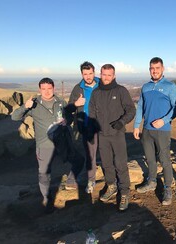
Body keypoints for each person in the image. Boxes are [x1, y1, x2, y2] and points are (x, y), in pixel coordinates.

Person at [11, 77, 81, 212]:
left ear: (53, 88)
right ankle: (47, 200)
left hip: (62, 142)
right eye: (43, 89)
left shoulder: (60, 101)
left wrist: (68, 120)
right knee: (44, 173)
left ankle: (71, 181)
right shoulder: (34, 103)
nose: (47, 91)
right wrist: (25, 106)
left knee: (79, 160)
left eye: (49, 88)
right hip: (44, 144)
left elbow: (68, 115)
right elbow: (15, 117)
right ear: (39, 90)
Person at [89, 64, 136, 211]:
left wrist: (121, 122)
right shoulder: (96, 93)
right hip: (102, 135)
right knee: (107, 163)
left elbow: (131, 110)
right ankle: (111, 186)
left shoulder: (121, 91)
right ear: (100, 74)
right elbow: (91, 112)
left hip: (117, 134)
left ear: (114, 76)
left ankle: (124, 192)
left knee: (121, 164)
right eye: (104, 74)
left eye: (109, 75)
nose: (106, 77)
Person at [134, 57, 176, 206]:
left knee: (165, 160)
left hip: (163, 130)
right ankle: (151, 181)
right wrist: (136, 125)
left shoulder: (170, 86)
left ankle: (167, 189)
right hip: (147, 129)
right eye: (152, 68)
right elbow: (140, 106)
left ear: (163, 68)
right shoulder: (145, 87)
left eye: (157, 68)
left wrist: (164, 121)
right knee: (150, 159)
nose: (155, 71)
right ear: (149, 69)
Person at [65, 61, 99, 194]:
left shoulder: (102, 84)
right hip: (86, 126)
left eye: (90, 73)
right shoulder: (77, 88)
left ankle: (112, 179)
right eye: (85, 74)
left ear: (94, 72)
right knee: (90, 155)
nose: (88, 76)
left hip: (103, 125)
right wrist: (76, 103)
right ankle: (91, 180)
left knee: (108, 152)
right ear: (82, 74)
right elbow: (68, 108)